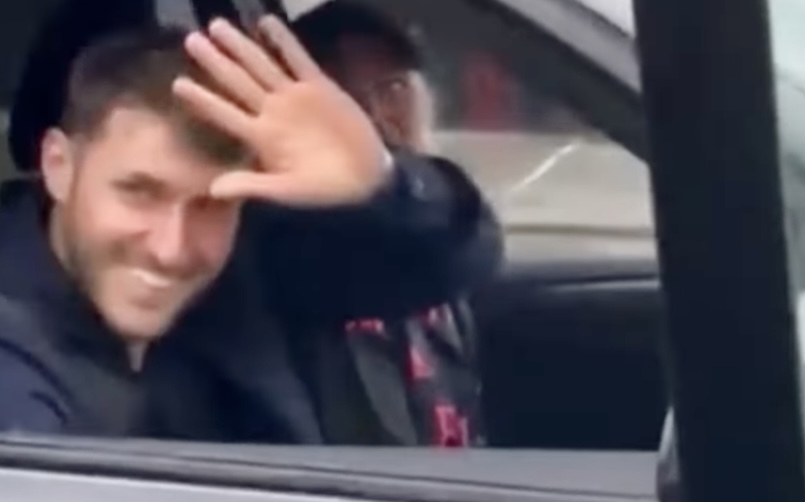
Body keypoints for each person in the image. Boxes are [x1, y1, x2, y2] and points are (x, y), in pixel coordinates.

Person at [0, 15, 501, 442]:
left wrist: (383, 182)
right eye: (139, 192)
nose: (171, 249)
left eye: (213, 204)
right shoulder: (17, 352)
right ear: (58, 166)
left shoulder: (250, 256)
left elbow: (451, 261)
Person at [293, 2, 486, 448]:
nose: (374, 120)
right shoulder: (292, 250)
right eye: (342, 103)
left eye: (394, 89)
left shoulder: (438, 233)